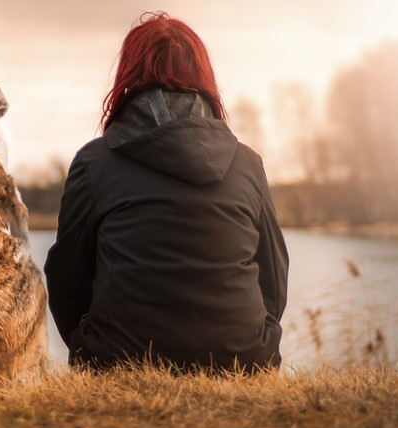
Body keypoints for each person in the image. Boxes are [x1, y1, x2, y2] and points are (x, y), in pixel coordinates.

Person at [44, 12, 288, 372]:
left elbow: (67, 278)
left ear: (129, 76)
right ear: (203, 78)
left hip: (119, 360)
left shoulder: (94, 163)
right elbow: (274, 276)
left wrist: (89, 345)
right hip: (243, 360)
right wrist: (254, 339)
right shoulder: (248, 163)